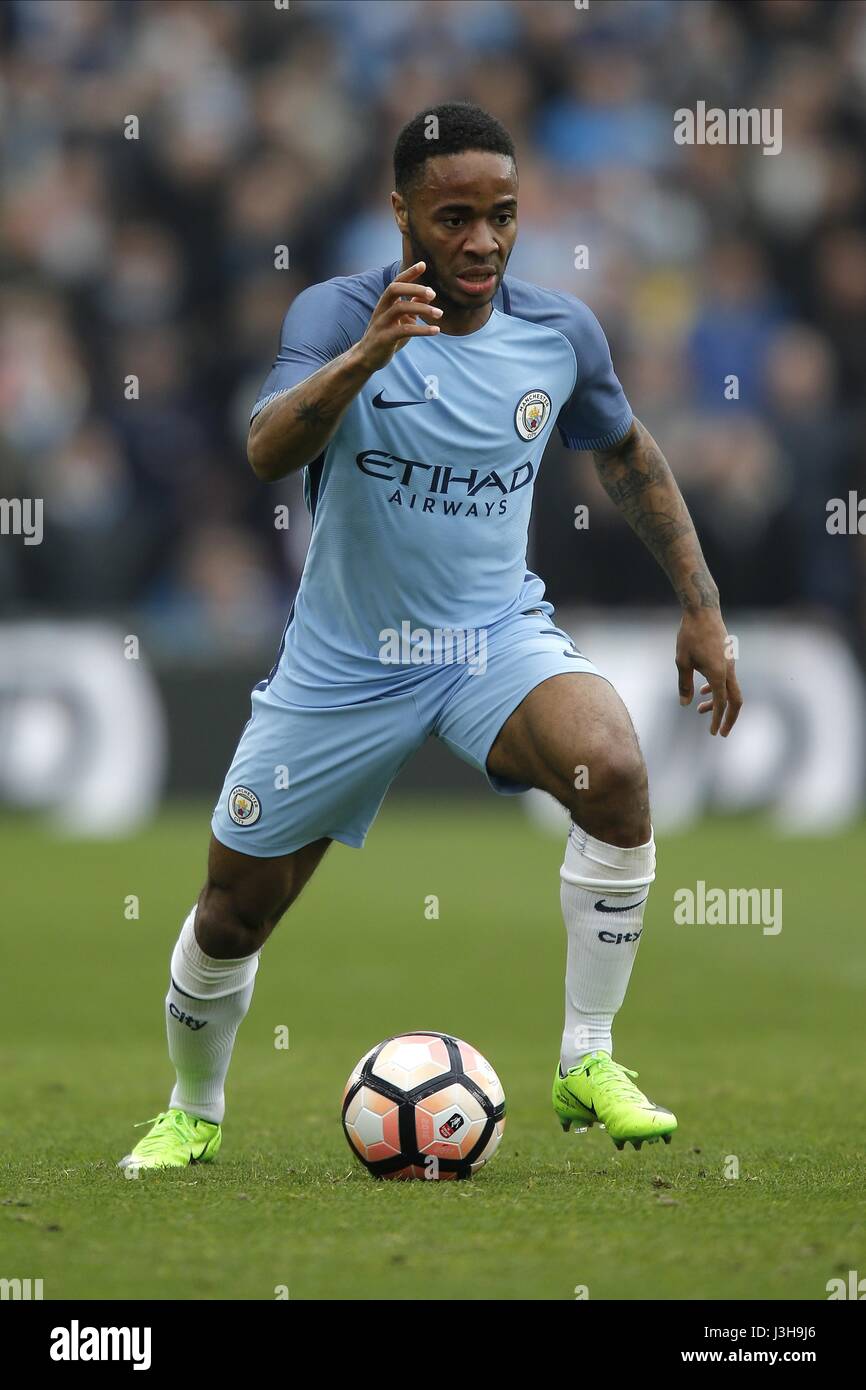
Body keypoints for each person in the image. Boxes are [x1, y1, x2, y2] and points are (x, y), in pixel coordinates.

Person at [120, 102, 741, 1173]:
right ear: (399, 210)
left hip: (487, 642)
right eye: (454, 217)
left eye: (501, 215)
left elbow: (627, 453)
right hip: (344, 661)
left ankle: (586, 1055)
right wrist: (365, 358)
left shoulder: (558, 334)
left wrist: (699, 604)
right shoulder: (335, 314)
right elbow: (267, 447)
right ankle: (194, 1106)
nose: (483, 242)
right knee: (231, 911)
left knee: (616, 771)